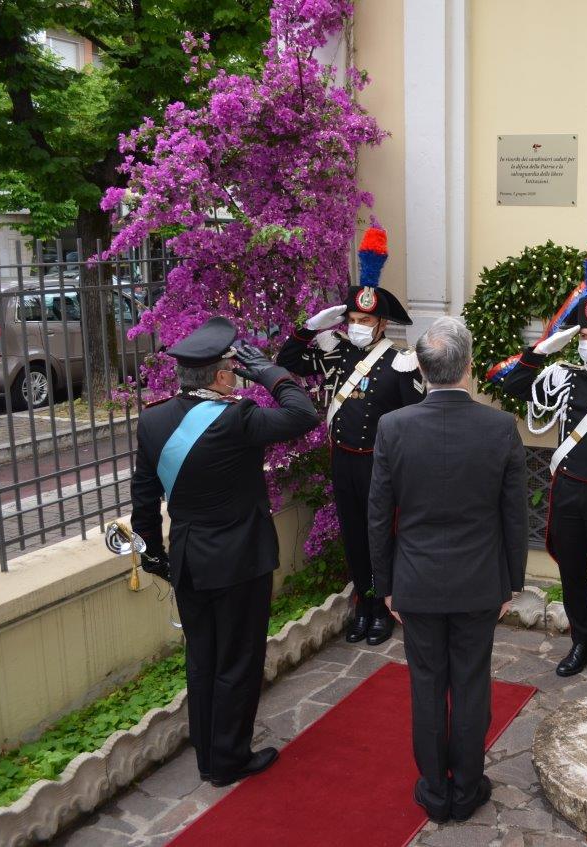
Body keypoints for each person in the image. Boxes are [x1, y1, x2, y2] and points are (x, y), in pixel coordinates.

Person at [131, 317, 319, 787]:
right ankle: (229, 760)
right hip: (239, 561)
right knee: (237, 660)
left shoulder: (153, 419)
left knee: (203, 658)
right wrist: (271, 372)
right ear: (219, 377)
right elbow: (303, 414)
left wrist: (154, 554)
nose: (236, 375)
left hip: (189, 559)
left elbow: (143, 495)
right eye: (232, 369)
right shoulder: (238, 418)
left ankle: (208, 756)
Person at [368, 316, 528, 824]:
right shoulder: (500, 427)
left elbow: (378, 515)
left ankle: (435, 790)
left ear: (420, 367)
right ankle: (468, 784)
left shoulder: (393, 427)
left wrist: (386, 586)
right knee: (472, 682)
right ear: (469, 367)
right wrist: (512, 582)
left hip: (415, 582)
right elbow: (515, 515)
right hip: (480, 581)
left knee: (427, 685)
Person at [498, 226, 587, 685]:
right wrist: (542, 350)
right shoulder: (561, 375)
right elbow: (510, 385)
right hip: (568, 491)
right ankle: (580, 641)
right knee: (573, 572)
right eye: (584, 334)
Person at [277, 225, 425, 646]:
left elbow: (413, 421)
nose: (358, 326)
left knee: (382, 536)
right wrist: (308, 328)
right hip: (343, 459)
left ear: (381, 323)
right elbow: (289, 360)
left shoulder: (401, 361)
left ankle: (382, 608)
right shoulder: (336, 350)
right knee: (354, 535)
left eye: (366, 320)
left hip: (381, 464)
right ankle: (363, 602)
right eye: (353, 319)